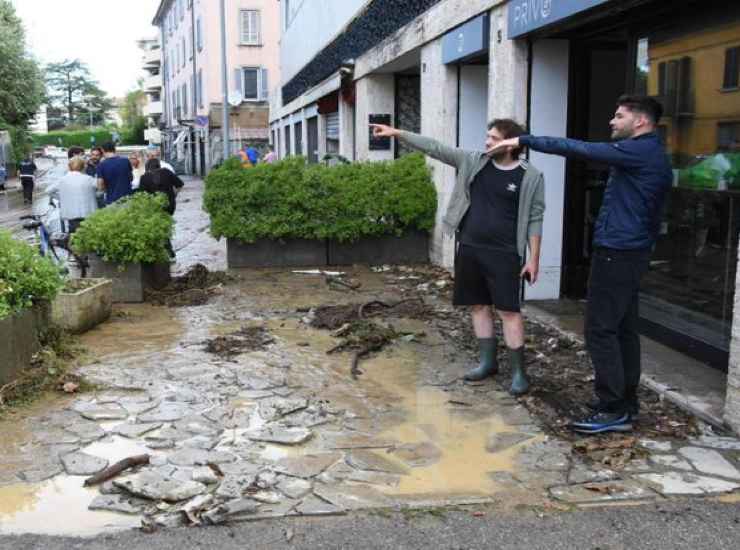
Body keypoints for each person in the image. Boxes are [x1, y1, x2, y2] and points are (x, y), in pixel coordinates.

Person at [490, 95, 673, 434]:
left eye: (619, 116)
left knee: (600, 330)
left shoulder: (639, 151)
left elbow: (581, 149)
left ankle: (613, 408)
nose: (612, 122)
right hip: (629, 251)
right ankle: (625, 404)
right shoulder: (647, 152)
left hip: (618, 252)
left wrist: (524, 140)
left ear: (641, 122)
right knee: (622, 330)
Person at [370, 119, 545, 396]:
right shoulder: (473, 161)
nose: (487, 142)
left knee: (509, 311)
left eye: (494, 138)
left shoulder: (530, 176)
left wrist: (533, 259)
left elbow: (535, 218)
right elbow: (436, 148)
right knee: (477, 306)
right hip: (470, 247)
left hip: (505, 253)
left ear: (511, 144)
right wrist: (398, 133)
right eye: (487, 136)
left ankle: (519, 373)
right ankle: (487, 363)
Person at [137, 158, 184, 259]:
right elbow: (180, 185)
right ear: (159, 165)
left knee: (157, 227)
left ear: (147, 167)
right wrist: (174, 195)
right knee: (165, 226)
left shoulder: (144, 178)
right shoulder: (167, 172)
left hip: (153, 207)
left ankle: (165, 251)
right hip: (170, 206)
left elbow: (142, 196)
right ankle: (167, 249)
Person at [45, 157, 98, 234]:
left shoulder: (62, 180)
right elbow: (101, 189)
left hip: (71, 215)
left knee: (74, 235)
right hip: (88, 213)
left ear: (69, 167)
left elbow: (48, 191)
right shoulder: (89, 179)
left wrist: (61, 198)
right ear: (84, 167)